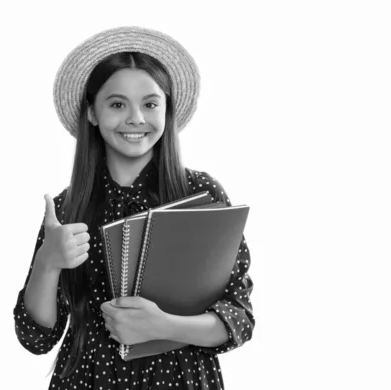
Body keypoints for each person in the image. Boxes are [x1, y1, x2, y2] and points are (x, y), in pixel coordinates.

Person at [13, 26, 254, 389]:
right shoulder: (67, 207)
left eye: (150, 104)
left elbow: (238, 317)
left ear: (167, 110)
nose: (136, 118)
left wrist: (165, 326)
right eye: (117, 104)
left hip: (182, 379)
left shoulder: (200, 193)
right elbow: (36, 338)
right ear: (92, 113)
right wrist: (47, 262)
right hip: (87, 380)